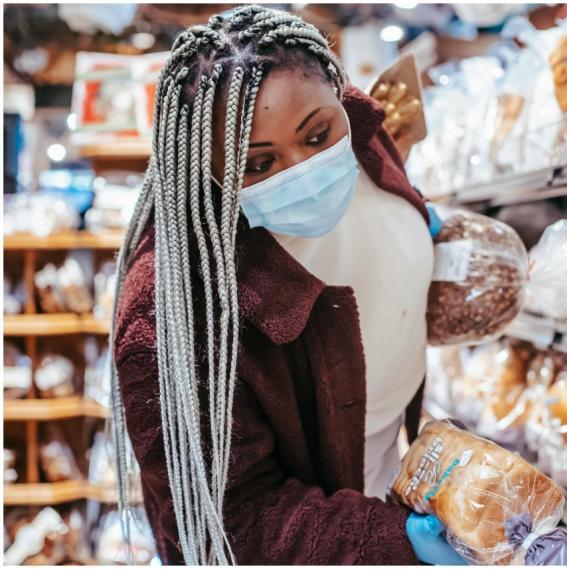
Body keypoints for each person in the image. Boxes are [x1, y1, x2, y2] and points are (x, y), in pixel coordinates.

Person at [109, 5, 464, 565]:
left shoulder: (362, 133)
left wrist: (419, 227)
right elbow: (235, 519)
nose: (303, 169)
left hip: (387, 463)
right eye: (257, 163)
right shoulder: (170, 315)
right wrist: (397, 542)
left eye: (318, 135)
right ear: (205, 168)